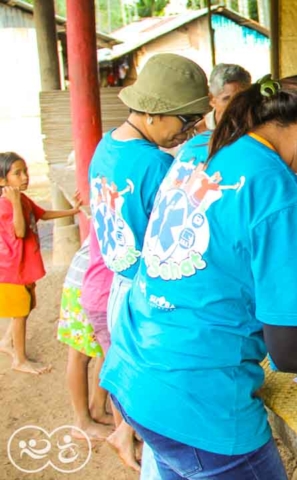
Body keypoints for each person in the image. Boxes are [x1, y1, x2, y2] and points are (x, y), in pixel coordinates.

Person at [99, 73, 297, 479]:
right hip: (201, 404)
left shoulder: (200, 148)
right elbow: (291, 353)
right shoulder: (282, 194)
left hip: (133, 370)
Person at [88, 53, 211, 471]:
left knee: (141, 394)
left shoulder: (107, 146)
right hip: (145, 294)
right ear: (157, 115)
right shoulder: (156, 165)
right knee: (165, 405)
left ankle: (128, 434)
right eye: (187, 122)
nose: (188, 132)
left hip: (116, 283)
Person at [0, 152, 80, 375]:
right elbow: (20, 231)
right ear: (2, 181)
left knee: (26, 308)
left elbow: (42, 214)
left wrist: (73, 210)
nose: (25, 177)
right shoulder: (6, 205)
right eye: (18, 173)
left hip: (24, 267)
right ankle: (20, 359)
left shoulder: (23, 199)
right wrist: (15, 203)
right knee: (20, 313)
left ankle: (7, 342)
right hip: (11, 271)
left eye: (25, 171)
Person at [57, 239, 113, 440]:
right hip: (86, 281)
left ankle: (97, 408)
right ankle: (81, 422)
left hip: (97, 279)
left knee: (106, 351)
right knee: (79, 356)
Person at [208, 63, 252, 128]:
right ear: (212, 99)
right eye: (227, 99)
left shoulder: (260, 127)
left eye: (240, 98)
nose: (235, 105)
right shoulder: (196, 133)